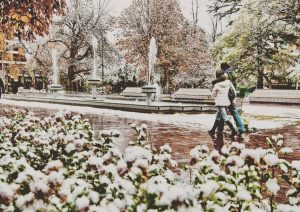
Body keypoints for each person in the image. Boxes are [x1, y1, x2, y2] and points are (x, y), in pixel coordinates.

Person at [210, 63, 246, 135]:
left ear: (222, 68)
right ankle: (241, 127)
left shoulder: (225, 75)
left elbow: (218, 80)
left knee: (224, 113)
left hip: (226, 97)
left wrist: (213, 82)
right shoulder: (233, 74)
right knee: (231, 112)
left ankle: (223, 129)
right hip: (231, 95)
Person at [210, 70, 238, 137]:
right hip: (226, 101)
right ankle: (212, 130)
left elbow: (213, 95)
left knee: (225, 117)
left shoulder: (216, 85)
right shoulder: (228, 82)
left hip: (220, 102)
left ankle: (233, 130)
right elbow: (234, 91)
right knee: (218, 116)